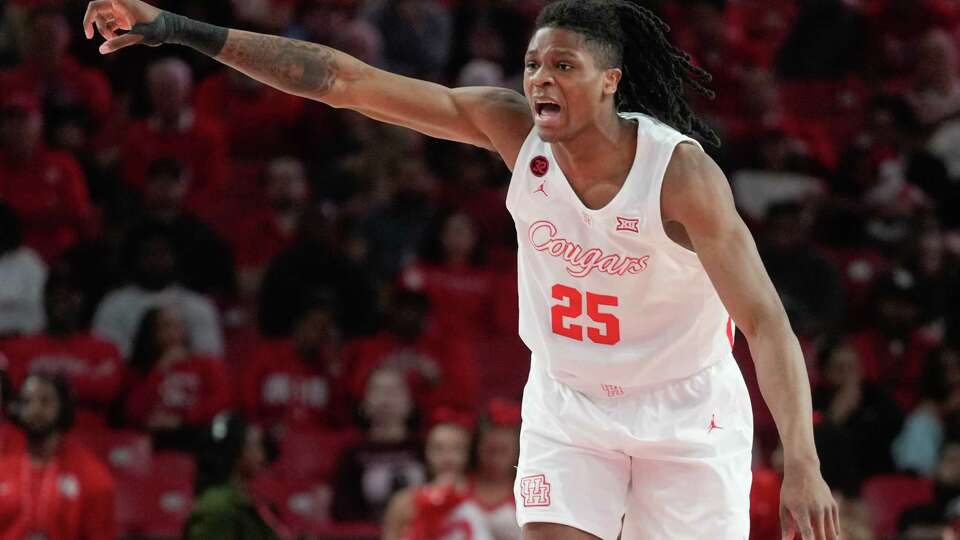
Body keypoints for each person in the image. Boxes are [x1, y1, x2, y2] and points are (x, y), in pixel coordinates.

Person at [82, 1, 837, 538]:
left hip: (684, 412)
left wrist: (800, 459)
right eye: (534, 62)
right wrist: (181, 30)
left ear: (611, 81)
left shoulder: (680, 176)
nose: (540, 79)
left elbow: (766, 321)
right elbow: (343, 81)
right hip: (570, 406)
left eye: (564, 65)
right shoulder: (510, 129)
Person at [1, 265, 126, 429]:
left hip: (90, 440)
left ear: (81, 299)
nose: (61, 298)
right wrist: (80, 383)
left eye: (69, 294)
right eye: (55, 293)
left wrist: (43, 384)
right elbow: (15, 389)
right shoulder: (16, 347)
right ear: (44, 298)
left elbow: (106, 390)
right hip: (30, 438)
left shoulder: (105, 349)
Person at [0, 374, 115, 540]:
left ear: (63, 407)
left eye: (45, 402)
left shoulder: (93, 477)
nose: (35, 409)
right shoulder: (3, 464)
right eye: (26, 402)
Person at [92, 223, 223, 357]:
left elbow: (210, 358)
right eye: (149, 253)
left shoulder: (199, 306)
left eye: (163, 253)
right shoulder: (113, 305)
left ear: (175, 257)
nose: (156, 261)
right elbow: (105, 358)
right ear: (136, 258)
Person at [122, 306, 230, 451]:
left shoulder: (206, 364)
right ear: (152, 332)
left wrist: (181, 419)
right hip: (150, 438)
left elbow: (221, 403)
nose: (174, 332)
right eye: (166, 326)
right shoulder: (140, 368)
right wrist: (159, 370)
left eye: (179, 326)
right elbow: (133, 412)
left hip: (195, 434)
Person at [331, 368, 427, 524]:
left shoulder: (424, 449)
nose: (386, 399)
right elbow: (343, 512)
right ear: (364, 403)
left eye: (394, 391)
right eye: (378, 391)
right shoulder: (351, 454)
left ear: (410, 402)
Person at [183, 412, 287, 540]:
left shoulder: (249, 501)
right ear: (235, 451)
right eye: (256, 445)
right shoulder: (217, 506)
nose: (262, 454)